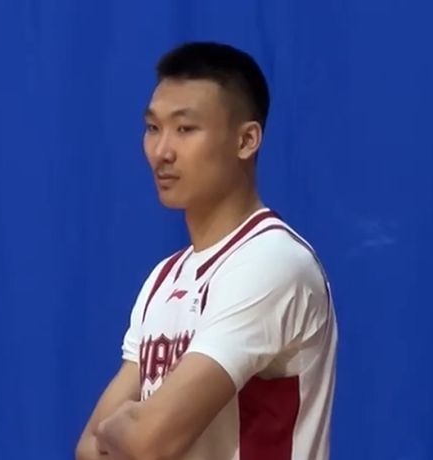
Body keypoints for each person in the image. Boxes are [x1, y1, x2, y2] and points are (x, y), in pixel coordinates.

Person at [75, 41, 337, 460]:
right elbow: (88, 448)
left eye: (185, 129)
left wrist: (129, 426)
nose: (162, 152)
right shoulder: (164, 278)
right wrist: (126, 429)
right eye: (153, 128)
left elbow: (149, 441)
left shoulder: (271, 262)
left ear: (246, 140)